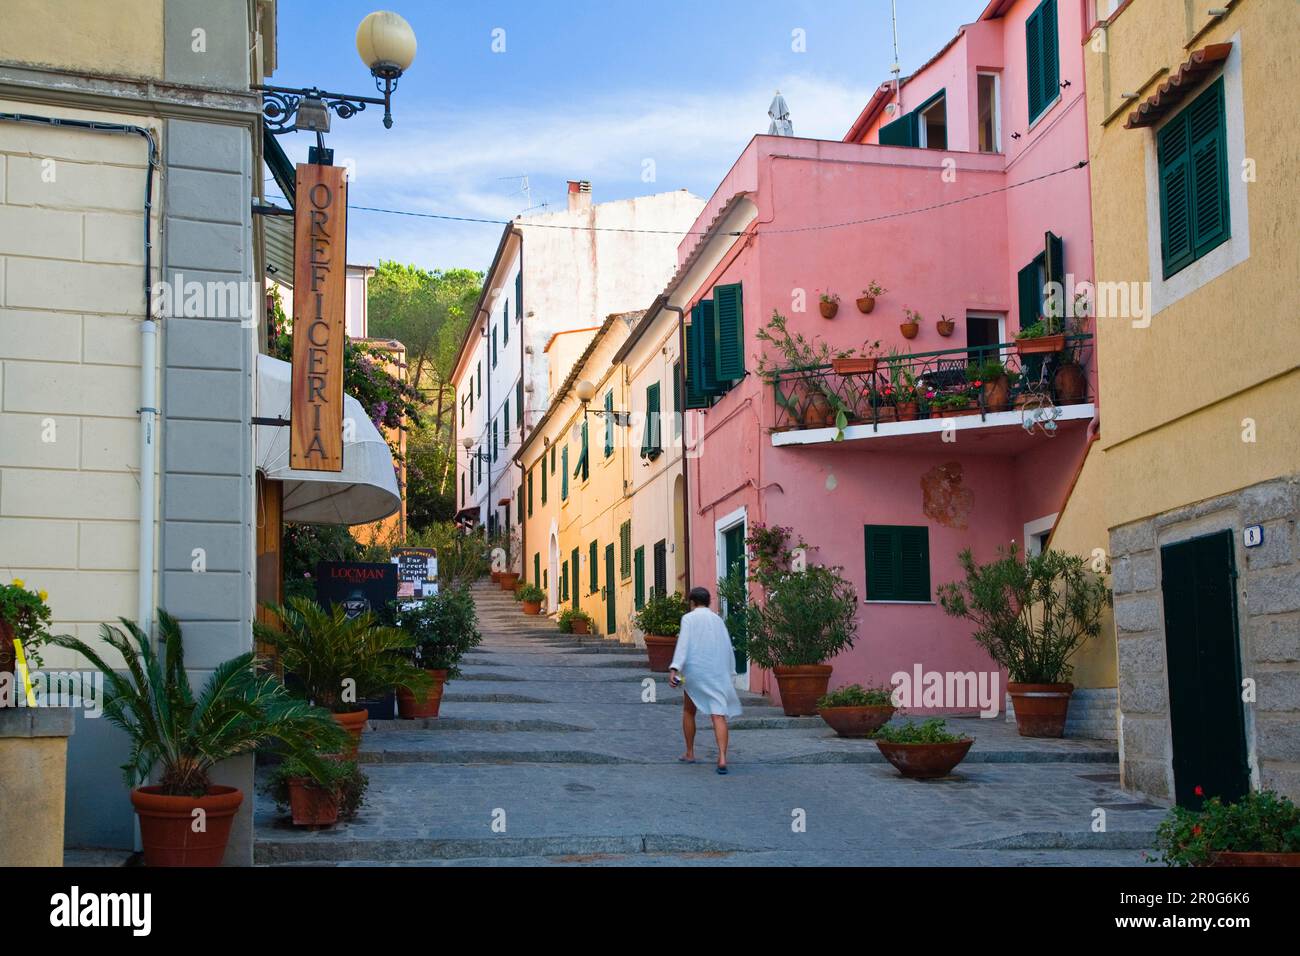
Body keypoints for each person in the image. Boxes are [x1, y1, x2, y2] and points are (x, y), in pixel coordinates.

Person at [668, 587, 742, 774]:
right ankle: (723, 758)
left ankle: (690, 752)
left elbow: (683, 644)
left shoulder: (689, 618)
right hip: (716, 673)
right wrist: (730, 672)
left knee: (688, 710)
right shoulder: (718, 620)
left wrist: (675, 668)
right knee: (718, 715)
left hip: (694, 672)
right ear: (709, 601)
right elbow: (727, 646)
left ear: (692, 602)